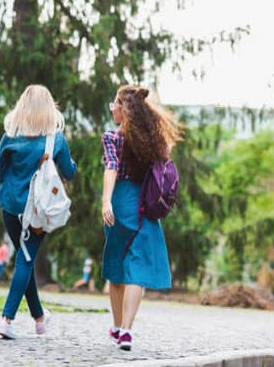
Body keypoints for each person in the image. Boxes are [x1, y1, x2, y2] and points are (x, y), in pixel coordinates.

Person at [0, 85, 77, 340]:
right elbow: (69, 173)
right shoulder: (56, 139)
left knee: (23, 259)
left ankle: (40, 319)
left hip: (10, 207)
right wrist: (68, 162)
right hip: (38, 211)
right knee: (25, 261)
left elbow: (0, 174)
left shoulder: (9, 136)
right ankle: (6, 320)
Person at [101, 85, 181, 351]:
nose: (112, 108)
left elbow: (111, 169)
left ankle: (116, 325)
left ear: (124, 110)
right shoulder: (153, 141)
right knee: (137, 268)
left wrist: (105, 201)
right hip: (145, 206)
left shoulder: (113, 138)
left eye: (115, 104)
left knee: (116, 265)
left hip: (120, 201)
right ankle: (126, 330)